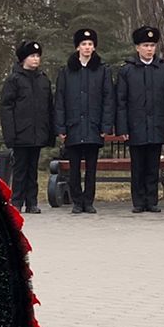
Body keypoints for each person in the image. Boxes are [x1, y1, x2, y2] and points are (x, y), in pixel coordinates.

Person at [116, 26, 164, 213]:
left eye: (152, 45)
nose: (149, 49)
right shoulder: (127, 70)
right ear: (137, 48)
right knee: (138, 166)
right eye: (145, 45)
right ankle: (138, 201)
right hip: (135, 126)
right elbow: (121, 101)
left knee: (153, 165)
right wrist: (122, 128)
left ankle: (152, 200)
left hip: (157, 124)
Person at [54, 29, 113, 213]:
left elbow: (108, 99)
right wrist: (61, 126)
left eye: (90, 44)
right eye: (84, 44)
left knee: (91, 168)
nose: (87, 47)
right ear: (77, 47)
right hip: (73, 126)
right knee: (74, 169)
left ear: (94, 47)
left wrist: (105, 125)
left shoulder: (102, 71)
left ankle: (89, 201)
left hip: (94, 126)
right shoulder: (66, 71)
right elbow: (60, 100)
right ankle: (77, 201)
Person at [0, 40, 54, 214]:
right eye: (32, 56)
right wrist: (10, 134)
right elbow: (6, 108)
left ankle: (32, 202)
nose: (36, 59)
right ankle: (16, 201)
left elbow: (49, 107)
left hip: (37, 133)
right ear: (23, 59)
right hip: (20, 133)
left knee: (33, 170)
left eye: (38, 56)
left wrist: (49, 131)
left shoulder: (43, 79)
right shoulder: (14, 80)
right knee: (20, 169)